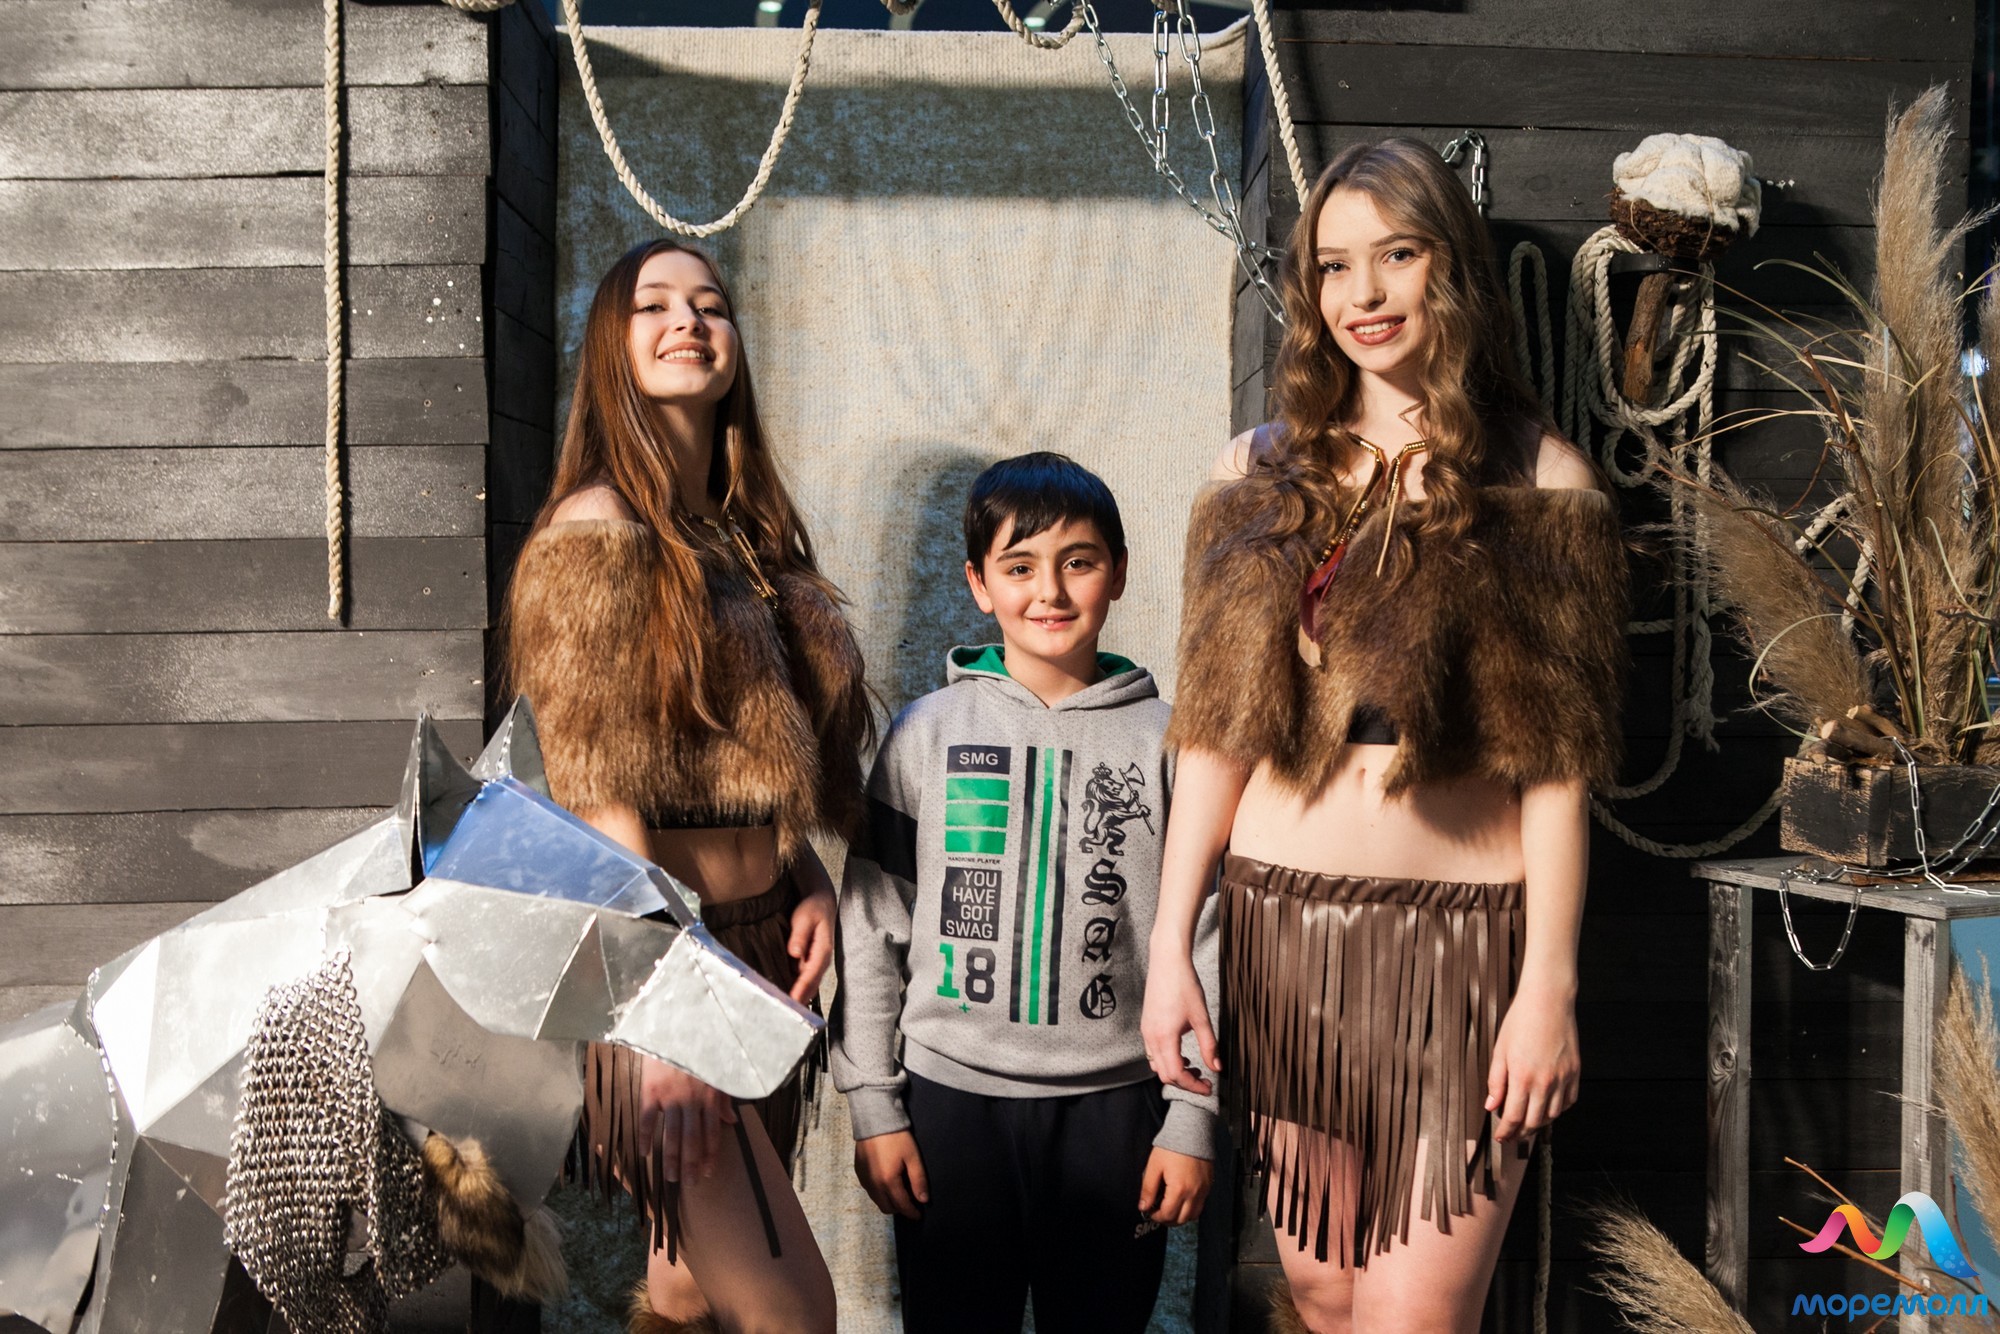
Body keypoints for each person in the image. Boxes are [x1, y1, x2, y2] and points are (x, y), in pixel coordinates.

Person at [1141, 139, 1629, 1333]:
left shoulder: (1541, 479)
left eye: (1395, 255)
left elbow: (1556, 773)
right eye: (1332, 265)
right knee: (1319, 1291)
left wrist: (1546, 985)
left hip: (1460, 954)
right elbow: (1212, 735)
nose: (1360, 293)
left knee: (1411, 1315)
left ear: (1447, 266)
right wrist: (1170, 946)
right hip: (1283, 934)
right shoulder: (1255, 471)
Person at [502, 238, 870, 1334]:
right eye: (654, 305)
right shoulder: (596, 529)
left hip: (761, 941)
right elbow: (595, 793)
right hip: (660, 959)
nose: (689, 321)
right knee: (792, 1310)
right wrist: (657, 1012)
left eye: (710, 304)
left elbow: (751, 756)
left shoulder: (744, 537)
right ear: (610, 348)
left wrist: (802, 871)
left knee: (687, 1285)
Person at [832, 453, 1220, 1334]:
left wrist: (1193, 1118)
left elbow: (1208, 936)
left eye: (1078, 562)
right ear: (979, 584)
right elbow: (871, 927)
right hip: (949, 1109)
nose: (1050, 590)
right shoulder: (925, 734)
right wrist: (874, 1105)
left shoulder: (1173, 746)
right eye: (1019, 566)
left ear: (1119, 572)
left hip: (1118, 1110)